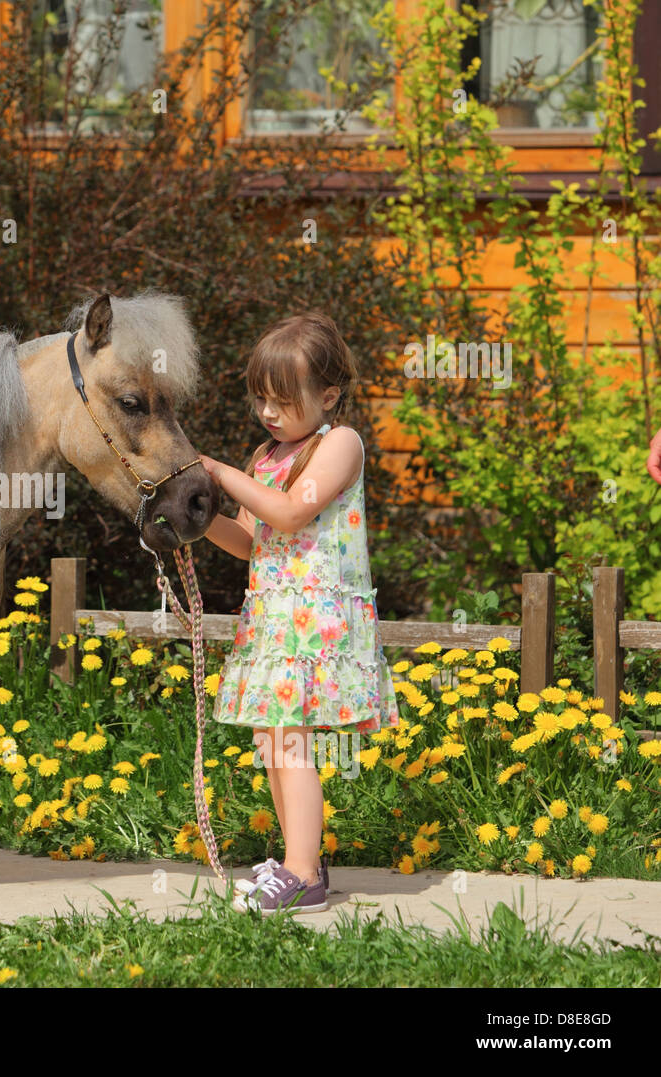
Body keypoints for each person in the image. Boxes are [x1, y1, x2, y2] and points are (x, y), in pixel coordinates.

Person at [197, 311, 400, 915]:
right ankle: (296, 860)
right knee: (273, 740)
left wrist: (220, 472)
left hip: (318, 623)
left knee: (292, 744)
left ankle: (303, 873)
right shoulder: (267, 453)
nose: (268, 413)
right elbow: (252, 539)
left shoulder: (340, 444)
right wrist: (198, 521)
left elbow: (289, 515)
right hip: (273, 618)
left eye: (283, 401)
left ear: (328, 395)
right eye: (261, 399)